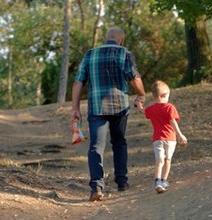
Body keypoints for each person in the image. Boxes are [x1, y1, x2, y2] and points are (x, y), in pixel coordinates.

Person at [72, 26, 146, 201]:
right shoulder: (124, 53)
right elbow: (134, 77)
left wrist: (75, 108)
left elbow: (77, 82)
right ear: (121, 39)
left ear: (106, 38)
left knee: (96, 146)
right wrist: (141, 94)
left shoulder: (90, 54)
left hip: (96, 108)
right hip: (119, 107)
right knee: (119, 142)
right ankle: (122, 182)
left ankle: (97, 186)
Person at [136, 80, 187, 193]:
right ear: (164, 95)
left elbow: (142, 111)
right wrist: (180, 134)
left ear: (154, 96)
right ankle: (162, 180)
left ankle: (159, 181)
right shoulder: (170, 107)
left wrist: (139, 104)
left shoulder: (152, 108)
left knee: (160, 160)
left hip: (158, 139)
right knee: (167, 159)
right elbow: (173, 121)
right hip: (170, 139)